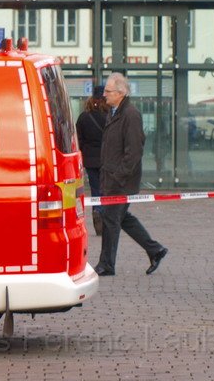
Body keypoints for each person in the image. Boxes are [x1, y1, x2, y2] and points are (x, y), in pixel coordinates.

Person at [94, 73, 168, 277]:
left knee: (111, 219)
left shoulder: (130, 114)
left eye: (108, 91)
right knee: (121, 218)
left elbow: (134, 151)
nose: (104, 95)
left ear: (120, 93)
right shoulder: (114, 111)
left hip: (121, 181)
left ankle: (106, 264)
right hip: (111, 178)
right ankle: (155, 250)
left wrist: (119, 176)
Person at [75, 85, 107, 236]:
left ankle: (97, 210)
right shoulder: (109, 116)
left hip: (89, 159)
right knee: (105, 188)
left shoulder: (83, 117)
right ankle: (104, 214)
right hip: (105, 159)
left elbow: (78, 139)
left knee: (95, 187)